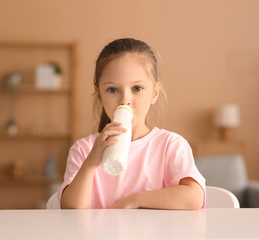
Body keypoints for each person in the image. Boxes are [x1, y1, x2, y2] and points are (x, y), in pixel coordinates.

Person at [58, 38, 206, 209]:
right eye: (112, 90)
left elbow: (194, 197)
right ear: (98, 94)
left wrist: (134, 200)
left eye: (136, 88)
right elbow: (71, 209)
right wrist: (91, 162)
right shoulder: (84, 149)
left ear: (154, 93)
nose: (124, 100)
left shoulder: (170, 145)